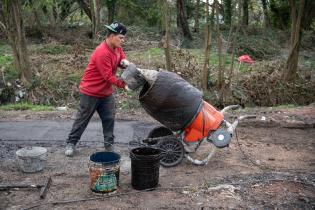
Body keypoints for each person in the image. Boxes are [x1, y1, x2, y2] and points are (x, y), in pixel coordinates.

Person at [65, 21, 129, 157]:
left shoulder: (117, 48)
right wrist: (125, 85)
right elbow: (107, 76)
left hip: (106, 93)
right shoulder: (102, 52)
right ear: (111, 36)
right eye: (120, 37)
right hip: (91, 92)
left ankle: (109, 145)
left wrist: (125, 63)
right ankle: (71, 143)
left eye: (124, 38)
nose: (122, 41)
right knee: (82, 119)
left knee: (109, 118)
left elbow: (121, 58)